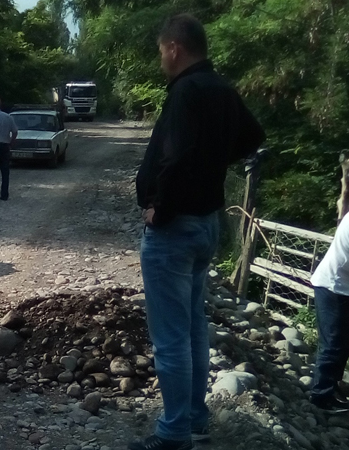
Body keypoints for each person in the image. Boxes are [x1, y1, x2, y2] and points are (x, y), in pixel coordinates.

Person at [132, 14, 265, 450]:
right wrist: (215, 161)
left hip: (176, 227)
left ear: (174, 48)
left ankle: (174, 434)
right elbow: (253, 136)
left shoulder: (187, 91)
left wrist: (160, 207)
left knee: (171, 337)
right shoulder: (222, 89)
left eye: (161, 52)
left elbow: (176, 155)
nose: (161, 60)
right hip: (206, 223)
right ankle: (194, 418)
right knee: (190, 327)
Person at [309, 213, 349, 414]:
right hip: (333, 286)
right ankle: (322, 396)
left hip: (343, 286)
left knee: (343, 342)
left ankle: (333, 387)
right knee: (333, 342)